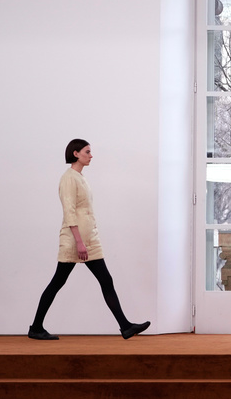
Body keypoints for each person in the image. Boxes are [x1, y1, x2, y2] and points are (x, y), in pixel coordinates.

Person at [27, 140, 150, 340]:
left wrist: (86, 239)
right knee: (58, 282)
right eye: (87, 152)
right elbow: (69, 211)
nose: (91, 156)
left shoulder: (80, 177)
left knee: (106, 280)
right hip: (74, 240)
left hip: (90, 239)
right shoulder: (68, 178)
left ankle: (125, 326)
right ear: (76, 153)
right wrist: (79, 242)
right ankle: (36, 327)